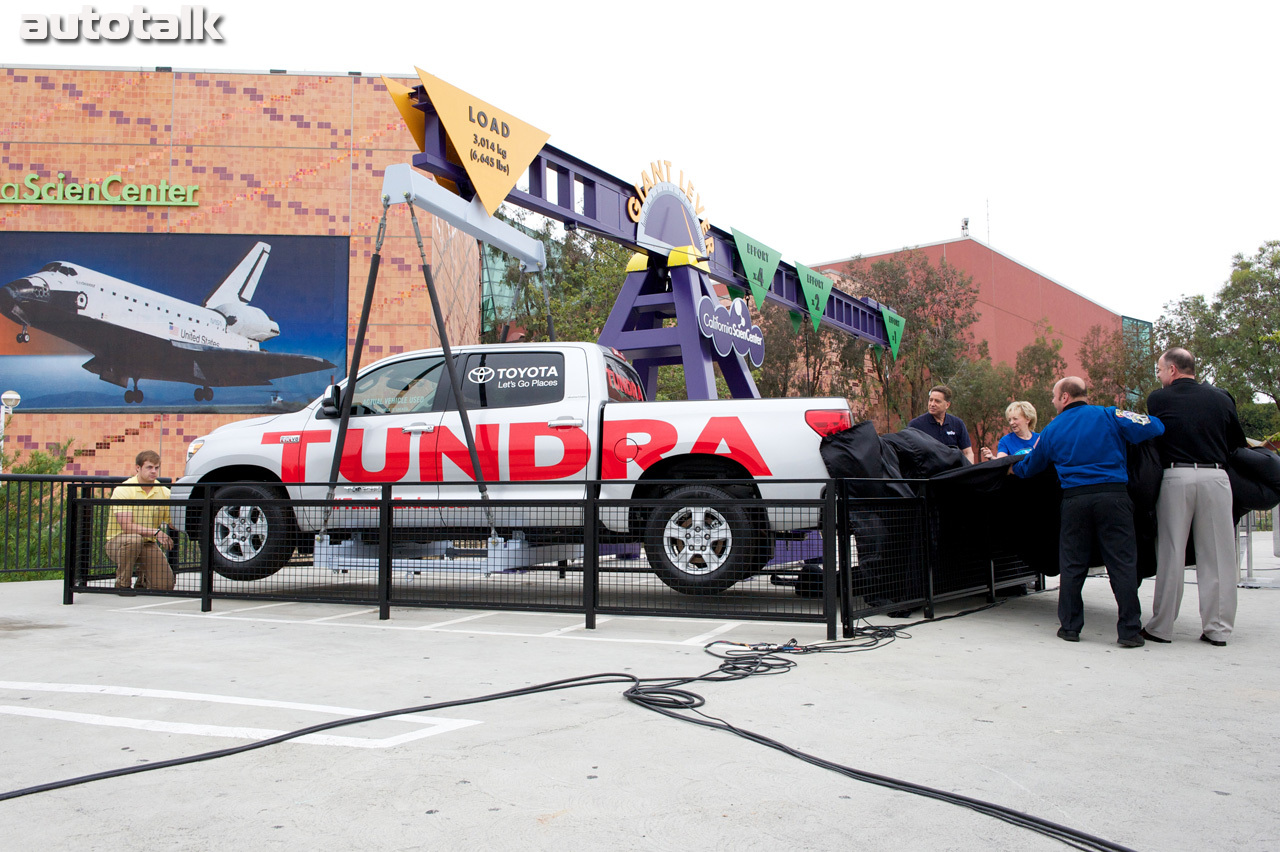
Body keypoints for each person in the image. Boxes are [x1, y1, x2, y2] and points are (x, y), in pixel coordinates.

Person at [1012, 377, 1163, 647]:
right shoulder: (1110, 414)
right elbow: (1154, 426)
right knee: (1122, 564)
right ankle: (1129, 630)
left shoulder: (1051, 430)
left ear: (1066, 397)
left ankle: (1070, 627)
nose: (1053, 401)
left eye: (1054, 396)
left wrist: (1013, 469)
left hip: (1075, 501)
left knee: (1072, 564)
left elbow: (1031, 466)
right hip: (1114, 498)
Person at [1141, 348, 1246, 647]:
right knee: (1218, 556)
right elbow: (1235, 441)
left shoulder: (1158, 399)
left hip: (1176, 476)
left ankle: (1161, 627)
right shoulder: (1222, 397)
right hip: (1216, 476)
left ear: (1172, 370)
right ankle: (1218, 629)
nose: (1159, 375)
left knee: (1171, 553)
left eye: (1160, 370)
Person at [105, 450, 175, 594]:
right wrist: (156, 532)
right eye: (149, 467)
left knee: (165, 586)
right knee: (134, 540)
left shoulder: (164, 492)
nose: (154, 471)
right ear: (138, 468)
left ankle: (142, 581)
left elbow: (173, 522)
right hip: (119, 542)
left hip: (147, 543)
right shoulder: (124, 489)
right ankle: (122, 584)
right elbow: (126, 526)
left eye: (156, 468)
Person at [908, 385, 974, 463]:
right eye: (930, 400)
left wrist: (969, 471)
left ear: (947, 405)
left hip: (952, 471)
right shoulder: (916, 425)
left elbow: (967, 452)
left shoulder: (957, 424)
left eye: (937, 401)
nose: (932, 404)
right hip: (928, 473)